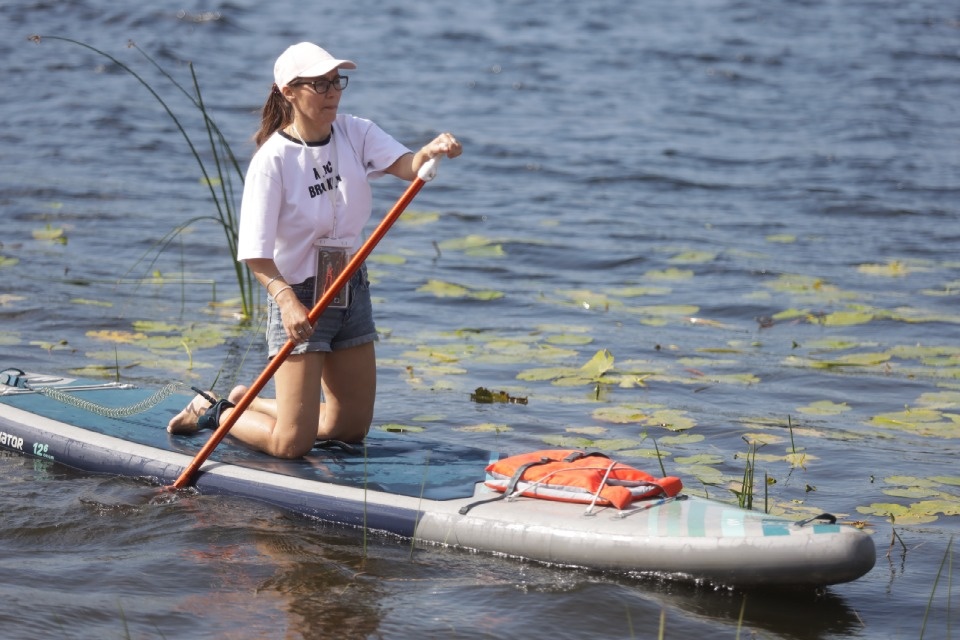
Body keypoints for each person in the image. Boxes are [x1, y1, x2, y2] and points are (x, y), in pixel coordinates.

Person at [167, 42, 462, 458]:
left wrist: (428, 154)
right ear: (288, 91)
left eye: (336, 82)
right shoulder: (272, 161)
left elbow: (406, 166)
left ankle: (245, 402)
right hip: (301, 299)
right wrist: (287, 304)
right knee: (291, 445)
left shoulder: (356, 132)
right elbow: (254, 251)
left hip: (349, 287)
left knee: (350, 430)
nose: (332, 93)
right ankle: (213, 411)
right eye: (319, 84)